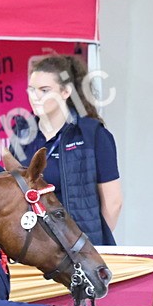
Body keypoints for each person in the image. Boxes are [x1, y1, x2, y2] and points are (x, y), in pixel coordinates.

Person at [18, 54, 122, 246]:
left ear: (66, 92)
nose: (35, 97)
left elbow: (113, 202)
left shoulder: (93, 135)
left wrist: (86, 248)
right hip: (33, 251)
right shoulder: (21, 137)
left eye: (44, 90)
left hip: (80, 253)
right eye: (31, 89)